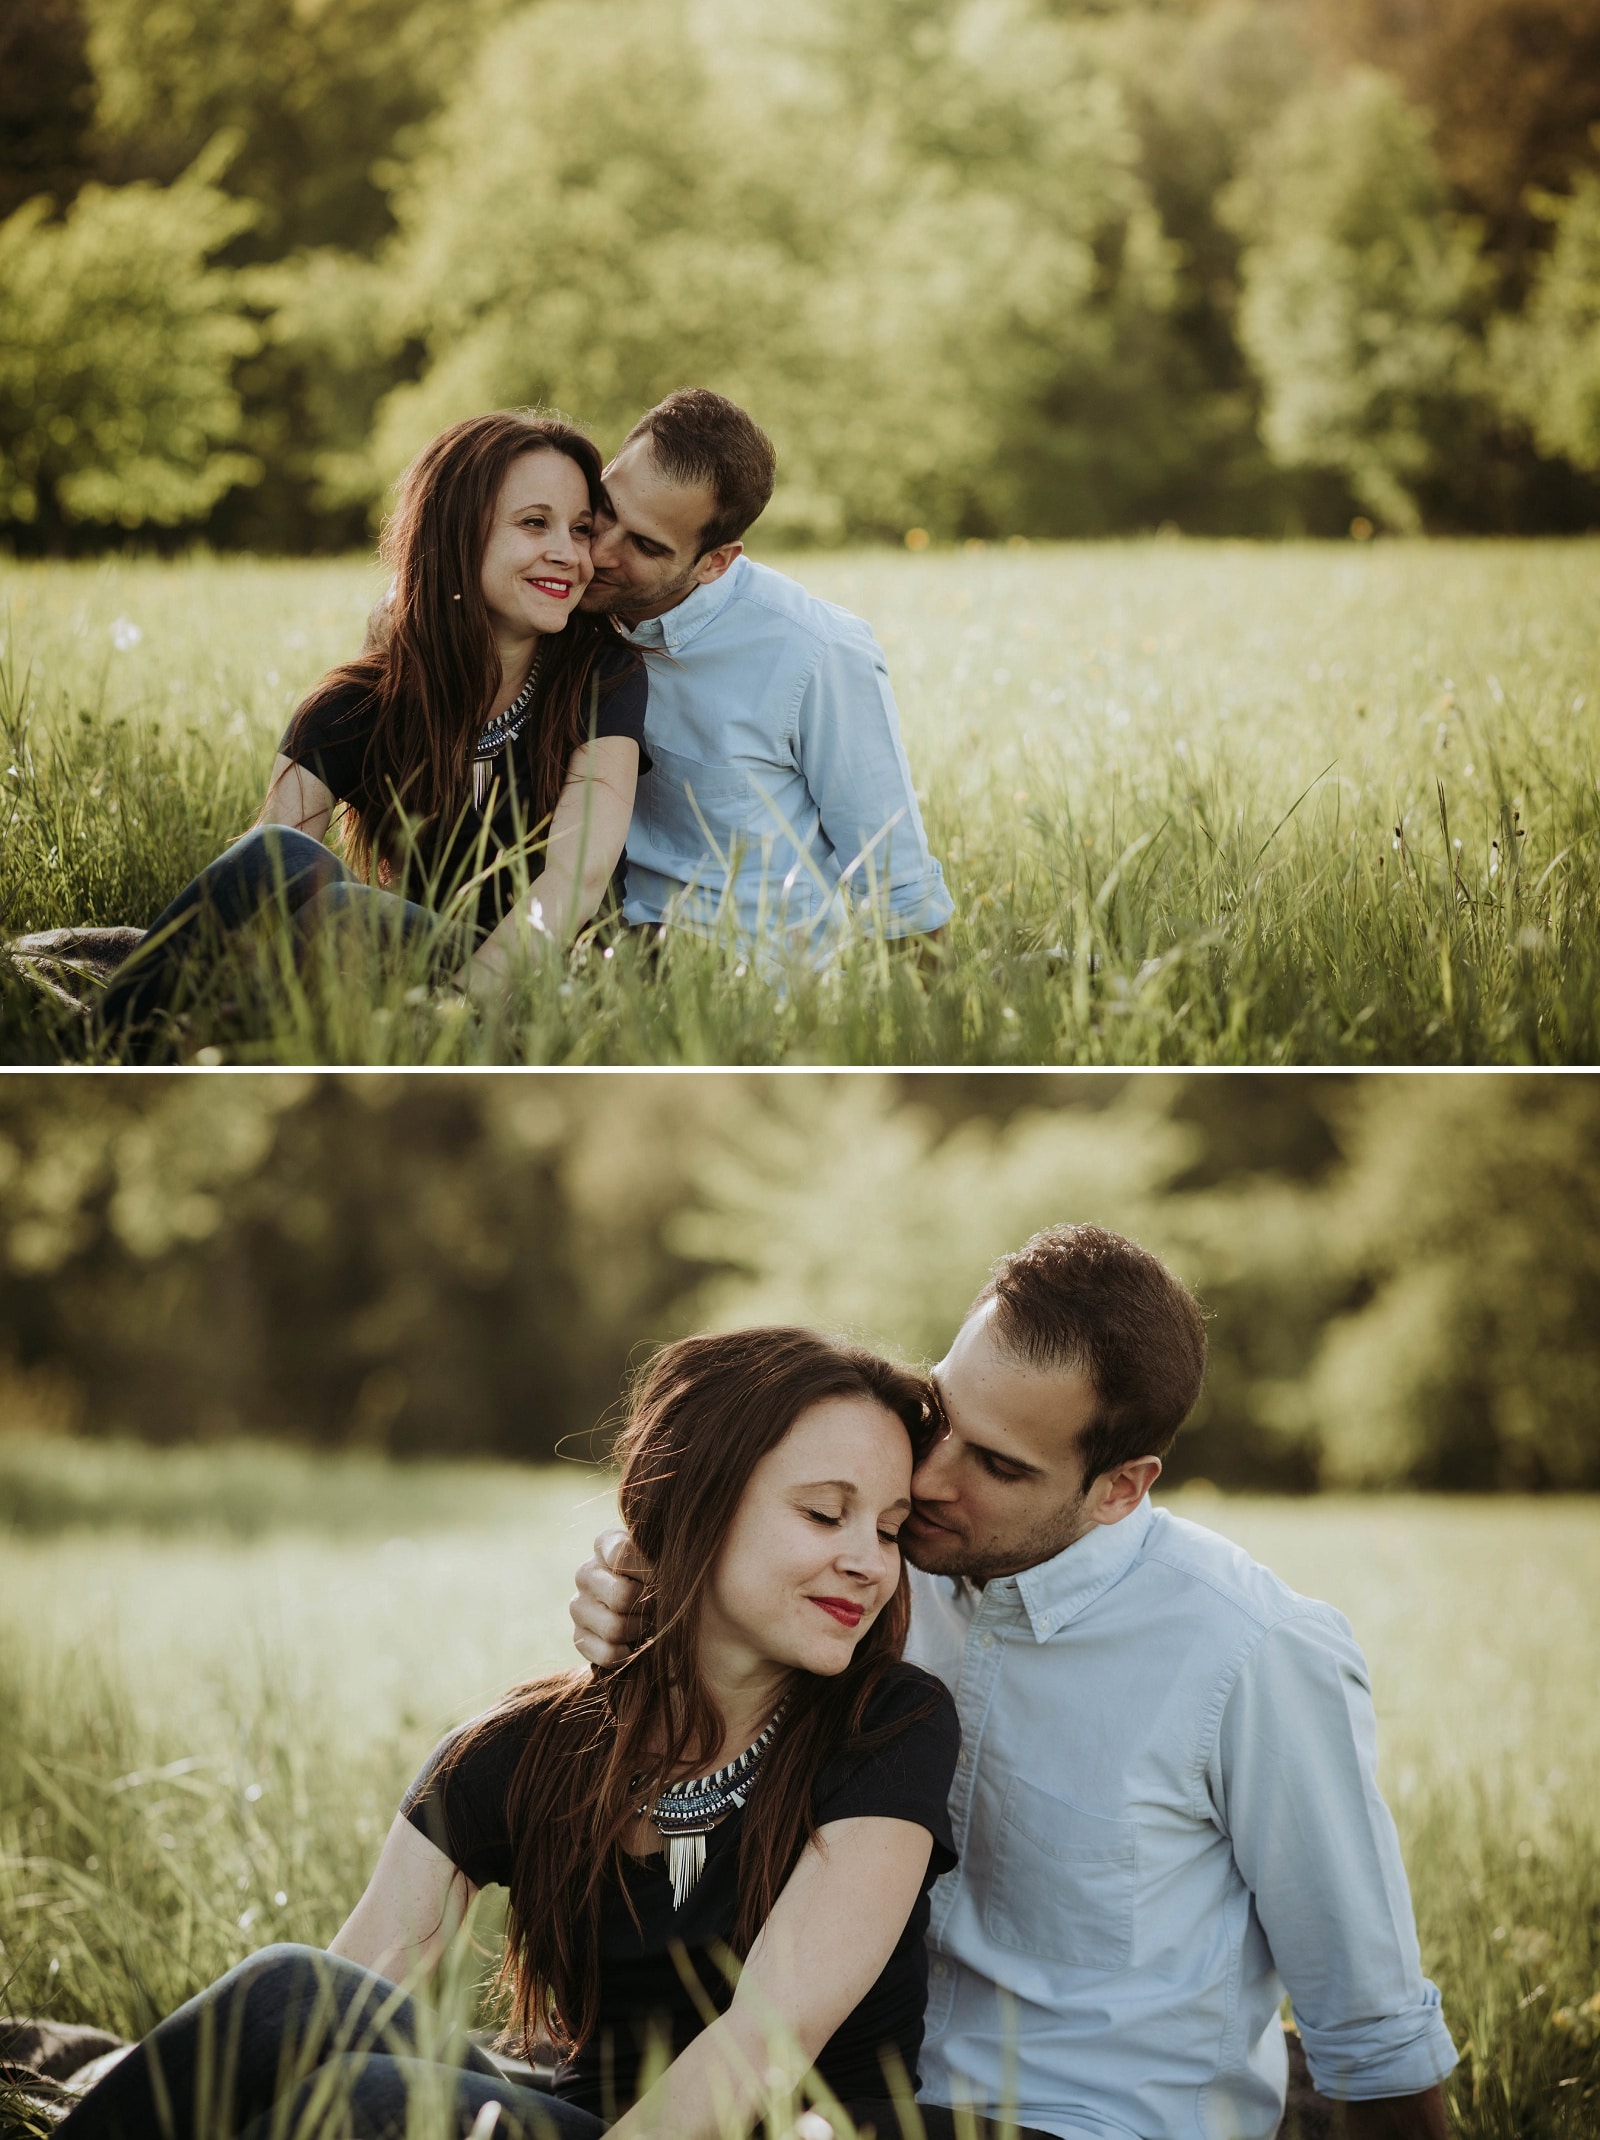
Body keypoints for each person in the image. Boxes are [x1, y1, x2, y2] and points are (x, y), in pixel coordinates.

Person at [572, 1227, 1460, 2140]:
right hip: (805, 2097)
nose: (929, 1477)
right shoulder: (874, 1570)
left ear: (1120, 1488)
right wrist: (649, 1602)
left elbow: (1372, 2026)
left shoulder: (1252, 1653)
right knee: (420, 2092)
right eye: (940, 1417)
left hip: (1077, 2122)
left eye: (998, 1466)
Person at [58, 1329, 972, 2140]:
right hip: (571, 2122)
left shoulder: (888, 1727)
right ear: (693, 1502)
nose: (867, 1560)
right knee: (288, 1992)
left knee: (373, 2099)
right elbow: (353, 1991)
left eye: (890, 1531)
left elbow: (767, 2043)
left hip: (782, 2129)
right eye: (824, 1512)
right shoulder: (525, 1749)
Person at [95, 412, 646, 1055]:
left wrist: (452, 1011)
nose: (569, 553)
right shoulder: (356, 705)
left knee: (346, 915)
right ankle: (111, 1041)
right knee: (278, 852)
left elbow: (577, 878)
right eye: (534, 523)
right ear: (456, 534)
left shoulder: (600, 673)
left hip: (546, 980)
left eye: (581, 529)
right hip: (403, 960)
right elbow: (266, 882)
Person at [578, 389, 952, 949]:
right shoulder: (558, 601)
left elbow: (897, 888)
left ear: (715, 562)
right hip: (580, 950)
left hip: (742, 979)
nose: (601, 552)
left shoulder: (815, 652)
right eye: (605, 510)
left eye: (645, 546)